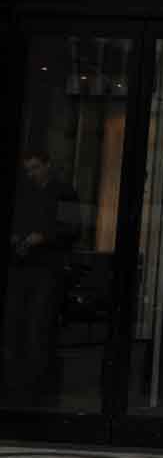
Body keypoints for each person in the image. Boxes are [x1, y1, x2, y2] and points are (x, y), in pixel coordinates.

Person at [4, 151, 77, 405]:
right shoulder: (25, 193)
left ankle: (39, 387)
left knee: (39, 325)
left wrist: (44, 237)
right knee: (17, 324)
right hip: (22, 264)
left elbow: (71, 228)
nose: (31, 173)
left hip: (48, 267)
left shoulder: (63, 192)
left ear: (48, 165)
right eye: (28, 169)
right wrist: (17, 237)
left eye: (35, 168)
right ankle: (19, 386)